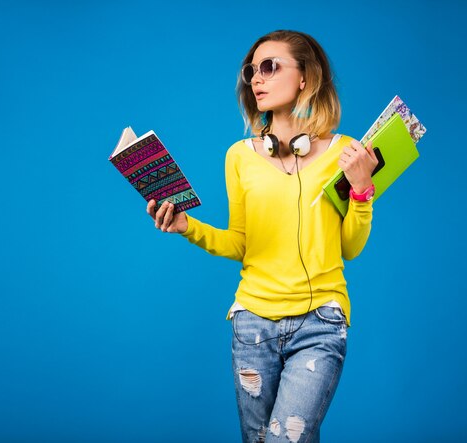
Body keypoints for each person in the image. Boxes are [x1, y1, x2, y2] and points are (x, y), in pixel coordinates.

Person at [147, 30, 378, 443]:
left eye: (270, 67)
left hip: (320, 322)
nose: (256, 78)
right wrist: (187, 227)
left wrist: (362, 191)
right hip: (253, 325)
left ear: (305, 77)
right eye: (251, 70)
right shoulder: (239, 157)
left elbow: (350, 247)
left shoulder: (347, 153)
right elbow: (241, 242)